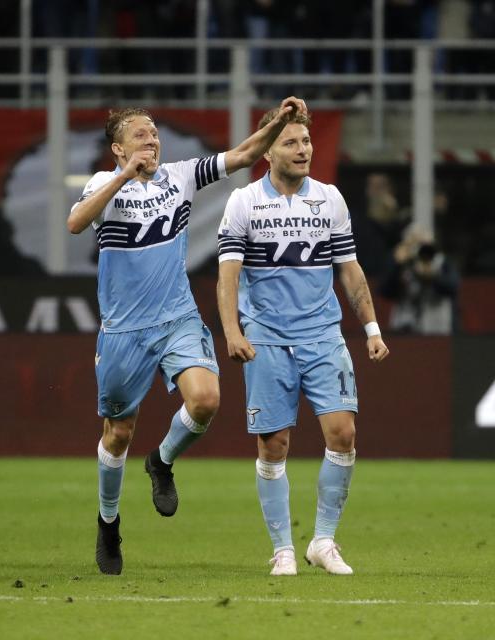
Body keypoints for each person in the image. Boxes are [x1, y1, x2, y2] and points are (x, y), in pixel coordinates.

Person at [67, 96, 308, 575]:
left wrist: (279, 121)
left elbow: (241, 156)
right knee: (118, 433)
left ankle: (161, 461)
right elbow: (75, 223)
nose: (151, 140)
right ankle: (108, 522)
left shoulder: (179, 176)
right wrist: (122, 177)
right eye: (140, 134)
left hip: (176, 317)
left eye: (154, 133)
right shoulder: (102, 184)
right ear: (118, 148)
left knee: (205, 400)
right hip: (124, 330)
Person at [215, 108, 390, 577]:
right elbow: (228, 277)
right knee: (274, 444)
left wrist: (371, 329)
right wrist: (232, 332)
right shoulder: (244, 203)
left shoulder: (330, 199)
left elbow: (349, 270)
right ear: (268, 149)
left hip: (322, 336)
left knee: (344, 433)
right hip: (266, 338)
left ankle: (323, 541)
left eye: (307, 142)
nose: (303, 149)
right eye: (291, 142)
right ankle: (283, 549)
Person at [381, 224, 458, 335]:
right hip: (404, 327)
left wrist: (432, 275)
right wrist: (396, 265)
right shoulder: (403, 264)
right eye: (414, 245)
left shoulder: (441, 262)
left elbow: (453, 287)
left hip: (437, 328)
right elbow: (385, 291)